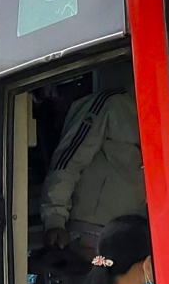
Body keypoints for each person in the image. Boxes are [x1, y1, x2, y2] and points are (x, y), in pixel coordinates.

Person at [42, 79, 146, 259]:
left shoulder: (165, 114)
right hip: (88, 232)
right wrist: (55, 219)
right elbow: (69, 159)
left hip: (128, 235)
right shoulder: (111, 105)